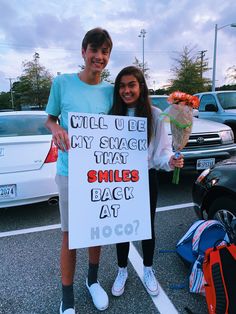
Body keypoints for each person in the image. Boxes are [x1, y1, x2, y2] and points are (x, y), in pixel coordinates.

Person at [45, 27, 114, 314]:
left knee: (96, 232)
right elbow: (50, 119)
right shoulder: (62, 83)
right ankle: (67, 296)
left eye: (104, 52)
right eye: (94, 50)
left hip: (101, 172)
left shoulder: (111, 91)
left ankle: (92, 281)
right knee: (70, 234)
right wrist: (56, 127)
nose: (99, 57)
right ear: (83, 51)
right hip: (70, 170)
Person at [109, 66, 184, 297]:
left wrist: (171, 160)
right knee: (121, 229)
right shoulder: (112, 115)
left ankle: (148, 269)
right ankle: (122, 269)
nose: (126, 90)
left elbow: (161, 152)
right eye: (122, 86)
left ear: (141, 86)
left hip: (146, 179)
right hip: (119, 180)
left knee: (146, 227)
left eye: (131, 85)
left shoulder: (155, 115)